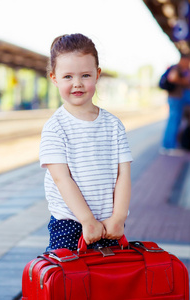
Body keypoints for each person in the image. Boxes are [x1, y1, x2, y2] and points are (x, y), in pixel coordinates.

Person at [39, 34, 133, 251]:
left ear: (97, 75)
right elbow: (62, 179)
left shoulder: (113, 125)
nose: (77, 84)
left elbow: (124, 175)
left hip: (110, 224)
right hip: (69, 224)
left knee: (109, 281)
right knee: (69, 282)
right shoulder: (55, 128)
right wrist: (87, 220)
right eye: (68, 77)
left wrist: (118, 217)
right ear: (54, 78)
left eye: (85, 75)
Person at [160, 55, 190, 155]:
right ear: (184, 60)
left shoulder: (181, 68)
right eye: (188, 61)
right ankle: (170, 146)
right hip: (176, 98)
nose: (189, 63)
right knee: (174, 121)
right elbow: (172, 78)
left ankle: (168, 145)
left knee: (174, 121)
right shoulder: (177, 68)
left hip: (176, 98)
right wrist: (185, 81)